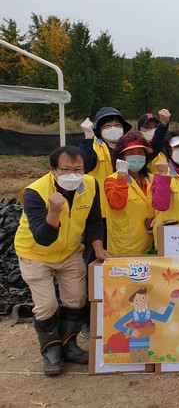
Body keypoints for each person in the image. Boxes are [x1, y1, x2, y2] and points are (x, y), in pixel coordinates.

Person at [14, 146, 109, 375]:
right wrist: (54, 212)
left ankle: (69, 344)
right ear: (53, 169)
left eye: (78, 169)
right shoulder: (34, 193)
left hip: (70, 252)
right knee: (47, 305)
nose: (73, 175)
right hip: (36, 253)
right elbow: (43, 238)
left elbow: (94, 222)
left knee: (77, 298)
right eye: (66, 170)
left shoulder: (91, 185)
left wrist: (98, 248)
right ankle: (51, 350)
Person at [79, 107, 132, 227]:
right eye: (107, 126)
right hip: (101, 211)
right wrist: (88, 137)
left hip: (129, 207)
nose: (113, 128)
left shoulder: (131, 148)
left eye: (117, 125)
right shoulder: (93, 147)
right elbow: (84, 165)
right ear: (100, 130)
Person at [104, 132, 155, 256]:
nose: (136, 156)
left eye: (140, 153)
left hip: (150, 245)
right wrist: (122, 177)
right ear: (121, 157)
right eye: (131, 153)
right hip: (125, 248)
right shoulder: (112, 180)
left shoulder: (151, 179)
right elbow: (117, 204)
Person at [137, 109, 170, 174]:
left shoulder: (166, 147)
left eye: (156, 126)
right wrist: (163, 125)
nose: (153, 130)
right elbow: (155, 144)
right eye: (147, 127)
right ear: (139, 131)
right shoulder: (139, 151)